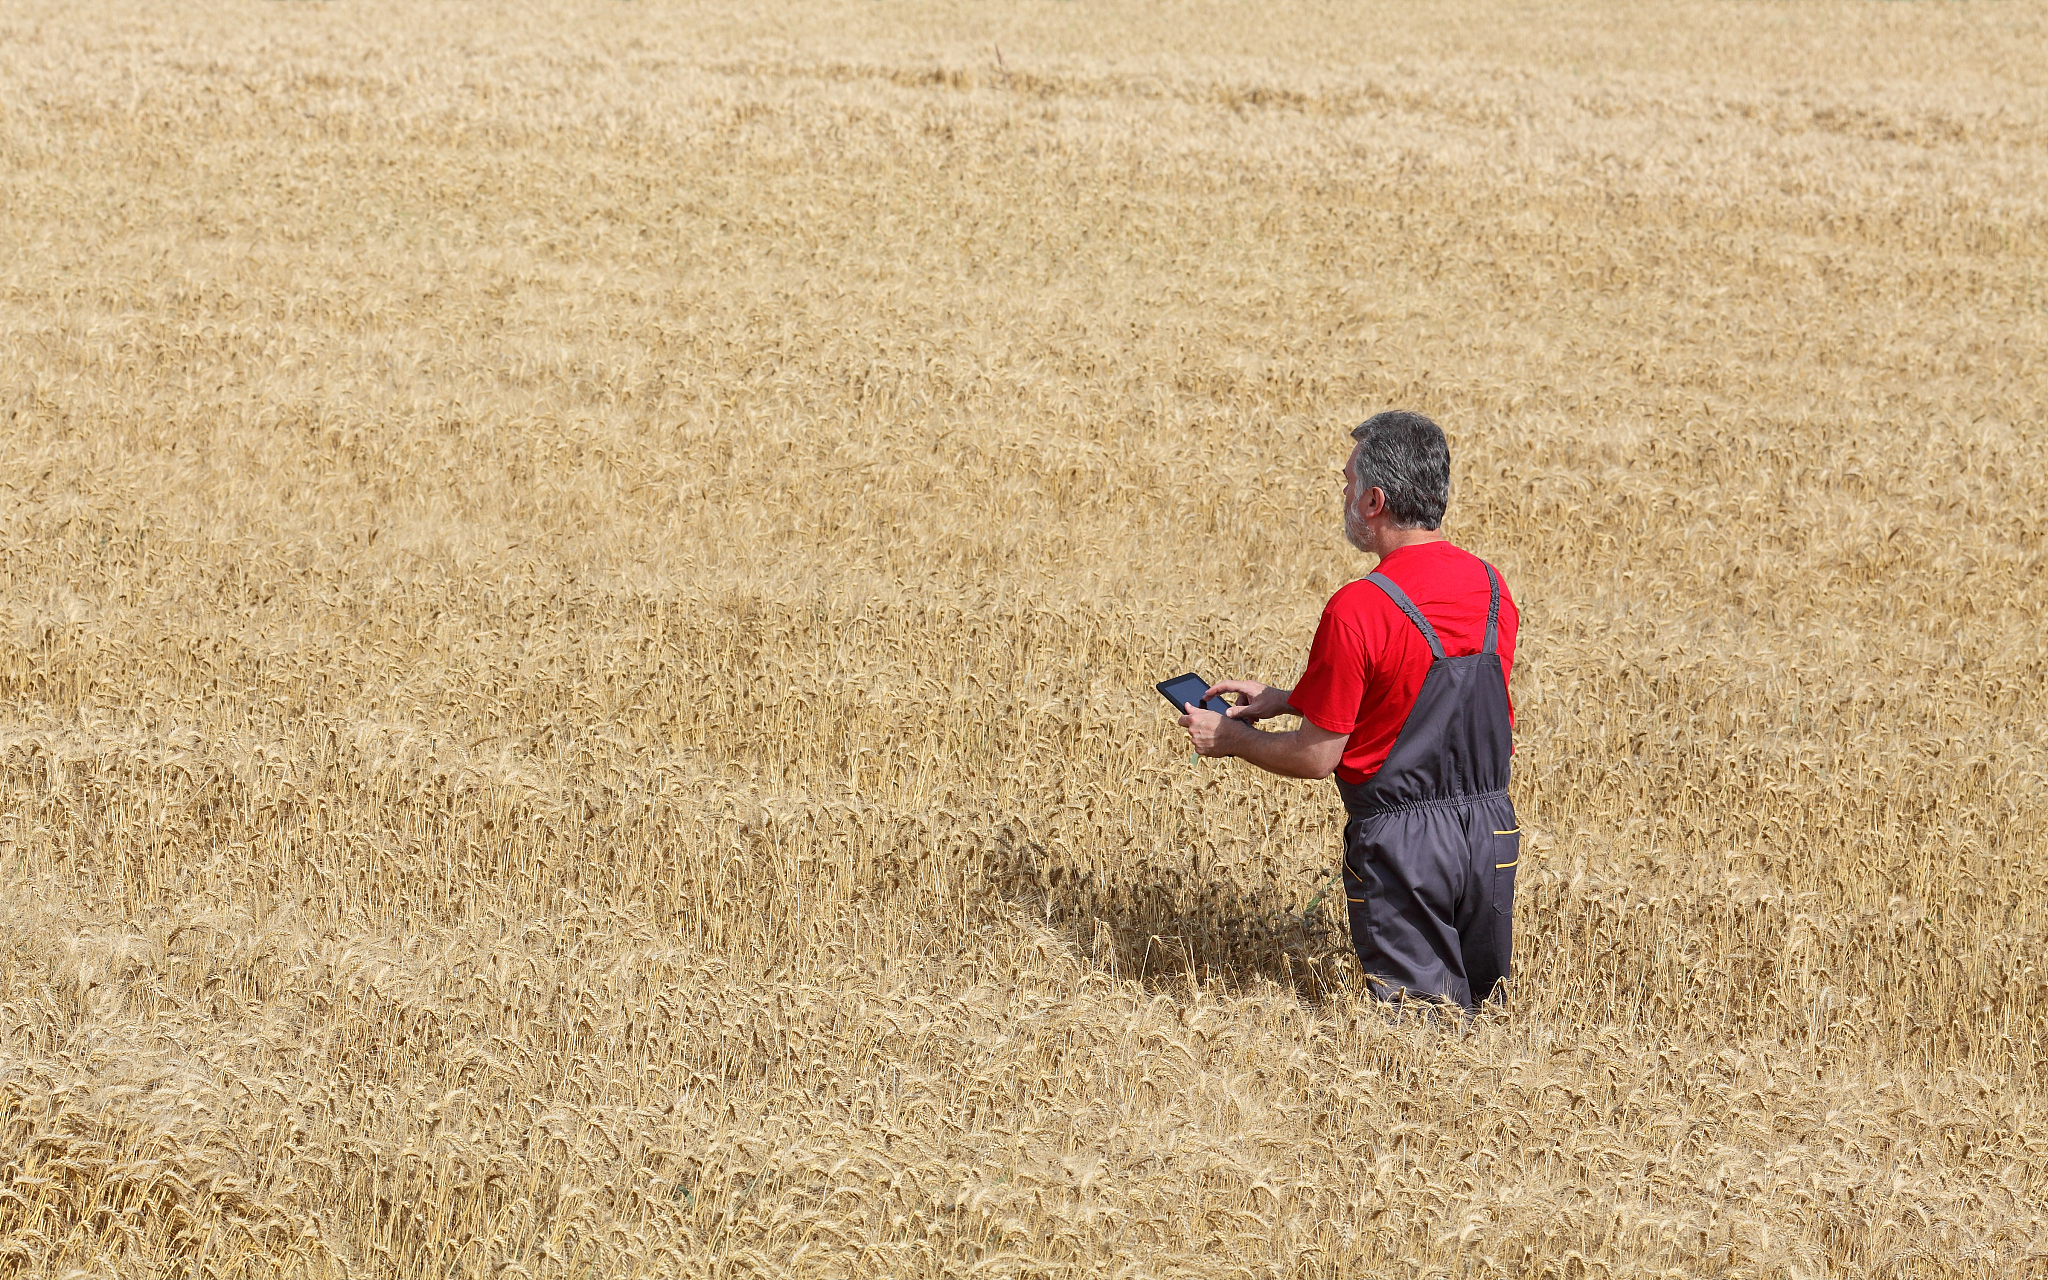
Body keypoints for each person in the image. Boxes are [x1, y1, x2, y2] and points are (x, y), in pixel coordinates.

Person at [1178, 411, 1520, 1010]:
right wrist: (1294, 697)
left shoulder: (1359, 608)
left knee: (1418, 1032)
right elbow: (1425, 692)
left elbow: (1317, 755)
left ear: (1373, 500)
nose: (1341, 492)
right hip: (1491, 833)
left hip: (1404, 846)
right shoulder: (1492, 588)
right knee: (1484, 1017)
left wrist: (1230, 739)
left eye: (1345, 481)